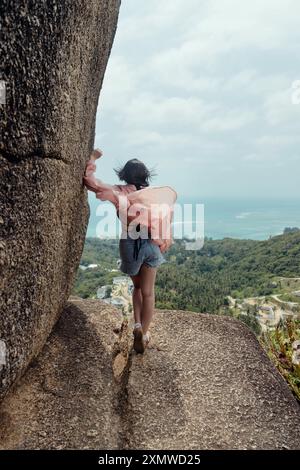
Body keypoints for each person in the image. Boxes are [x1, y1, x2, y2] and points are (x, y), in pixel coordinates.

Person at [83, 149, 177, 354]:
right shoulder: (153, 196)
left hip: (129, 243)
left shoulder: (120, 192)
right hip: (151, 244)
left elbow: (92, 183)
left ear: (124, 175)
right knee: (149, 292)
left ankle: (136, 326)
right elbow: (166, 219)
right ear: (146, 176)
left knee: (136, 289)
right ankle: (144, 332)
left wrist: (92, 160)